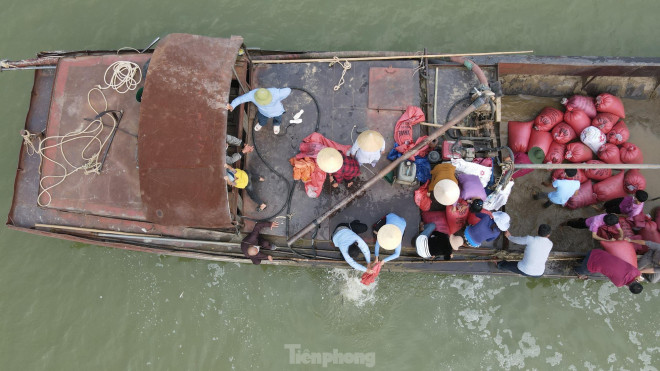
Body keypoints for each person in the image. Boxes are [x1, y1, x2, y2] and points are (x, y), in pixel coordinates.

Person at [574, 249, 644, 294]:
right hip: (590, 264)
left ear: (637, 281)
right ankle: (576, 269)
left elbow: (638, 274)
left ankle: (580, 261)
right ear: (629, 288)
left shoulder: (636, 272)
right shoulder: (619, 283)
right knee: (583, 271)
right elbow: (623, 283)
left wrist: (636, 278)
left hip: (596, 252)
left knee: (588, 260)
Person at [226, 87, 291, 134]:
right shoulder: (252, 95)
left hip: (277, 111)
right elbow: (241, 99)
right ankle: (261, 124)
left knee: (278, 119)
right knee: (262, 119)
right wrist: (232, 105)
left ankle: (276, 124)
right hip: (263, 112)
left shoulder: (275, 93)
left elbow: (288, 90)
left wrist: (280, 97)